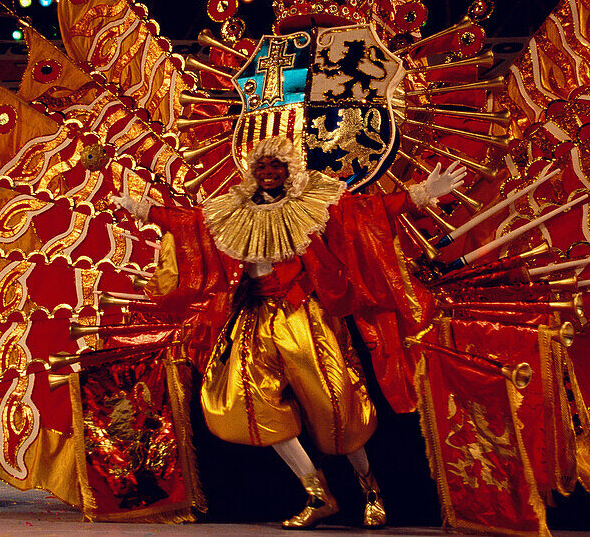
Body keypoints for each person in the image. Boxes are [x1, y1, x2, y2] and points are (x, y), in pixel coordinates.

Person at [112, 136, 464, 529]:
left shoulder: (315, 202)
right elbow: (191, 223)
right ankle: (317, 493)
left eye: (275, 166)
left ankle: (370, 489)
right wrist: (146, 210)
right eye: (261, 167)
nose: (267, 173)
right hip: (252, 314)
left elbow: (368, 213)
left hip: (304, 312)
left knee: (334, 405)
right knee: (249, 403)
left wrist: (421, 194)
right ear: (252, 171)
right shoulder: (231, 208)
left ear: (288, 169)